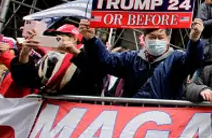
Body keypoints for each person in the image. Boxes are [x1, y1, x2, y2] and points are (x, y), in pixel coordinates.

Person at [76, 18, 204, 99]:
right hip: (133, 117)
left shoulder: (176, 58)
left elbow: (193, 62)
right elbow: (105, 61)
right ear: (145, 38)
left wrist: (195, 40)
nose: (156, 40)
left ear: (168, 40)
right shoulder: (131, 58)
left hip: (167, 117)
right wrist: (91, 39)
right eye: (152, 37)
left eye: (160, 37)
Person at [10, 24, 103, 96]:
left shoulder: (87, 57)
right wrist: (24, 53)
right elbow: (25, 82)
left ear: (74, 39)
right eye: (54, 36)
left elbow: (93, 79)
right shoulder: (47, 59)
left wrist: (75, 53)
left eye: (60, 35)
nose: (55, 38)